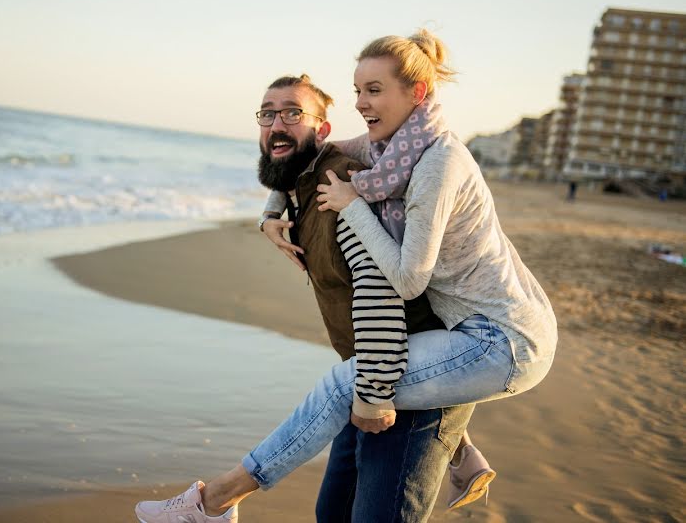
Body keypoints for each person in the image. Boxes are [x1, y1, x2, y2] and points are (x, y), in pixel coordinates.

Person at [137, 29, 557, 522]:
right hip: (461, 330)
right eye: (357, 90)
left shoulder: (436, 162)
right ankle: (460, 452)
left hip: (503, 340)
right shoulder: (387, 150)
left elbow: (405, 280)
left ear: (416, 93)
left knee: (344, 388)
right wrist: (271, 209)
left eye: (374, 90)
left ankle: (215, 501)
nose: (361, 102)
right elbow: (306, 155)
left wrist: (353, 205)